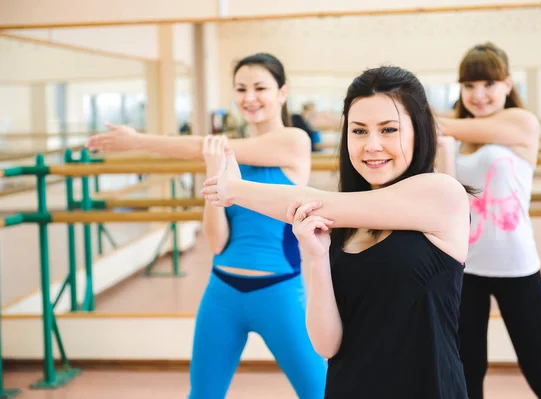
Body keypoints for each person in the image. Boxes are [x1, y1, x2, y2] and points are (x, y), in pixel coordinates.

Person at [201, 66, 473, 398]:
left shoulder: (441, 194)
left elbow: (314, 202)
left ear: (419, 131)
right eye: (359, 131)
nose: (372, 145)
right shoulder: (343, 224)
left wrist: (234, 190)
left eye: (389, 130)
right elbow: (327, 344)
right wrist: (314, 257)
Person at [86, 53, 327, 399]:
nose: (250, 97)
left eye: (261, 87)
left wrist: (138, 141)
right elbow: (216, 243)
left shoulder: (293, 141)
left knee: (319, 392)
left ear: (282, 92)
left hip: (280, 294)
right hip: (222, 294)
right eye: (241, 88)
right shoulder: (223, 155)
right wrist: (214, 172)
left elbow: (202, 146)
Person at [436, 42, 541, 399]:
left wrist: (424, 119)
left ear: (508, 85)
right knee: (467, 372)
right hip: (465, 267)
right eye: (469, 86)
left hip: (517, 268)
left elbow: (446, 124)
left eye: (488, 84)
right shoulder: (454, 137)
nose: (478, 94)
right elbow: (451, 197)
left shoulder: (522, 122)